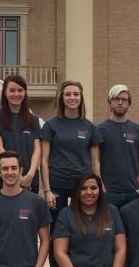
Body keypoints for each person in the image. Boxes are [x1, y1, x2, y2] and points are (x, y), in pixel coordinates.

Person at [41, 80, 101, 221]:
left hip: (82, 185)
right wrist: (47, 190)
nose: (72, 97)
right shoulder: (50, 125)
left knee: (82, 226)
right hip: (57, 184)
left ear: (81, 98)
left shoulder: (90, 127)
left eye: (76, 94)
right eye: (68, 94)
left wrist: (98, 187)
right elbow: (43, 160)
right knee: (57, 226)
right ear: (62, 98)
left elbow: (95, 162)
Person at [97, 84, 139, 210]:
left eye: (124, 99)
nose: (120, 102)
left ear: (129, 103)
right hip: (108, 193)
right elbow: (95, 161)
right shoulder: (99, 130)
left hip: (133, 193)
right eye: (116, 99)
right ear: (110, 102)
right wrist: (101, 188)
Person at [0, 74, 42, 193]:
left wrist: (30, 175)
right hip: (5, 180)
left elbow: (37, 150)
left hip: (30, 182)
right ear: (5, 93)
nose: (16, 94)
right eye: (12, 90)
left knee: (26, 212)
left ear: (25, 93)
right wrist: (18, 177)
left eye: (20, 90)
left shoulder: (33, 120)